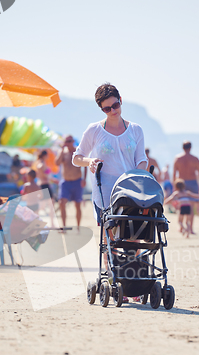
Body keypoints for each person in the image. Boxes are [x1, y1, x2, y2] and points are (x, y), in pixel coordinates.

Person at [72, 83, 148, 302]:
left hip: (131, 191)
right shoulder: (94, 130)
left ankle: (132, 284)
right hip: (104, 192)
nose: (113, 111)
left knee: (134, 237)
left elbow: (141, 158)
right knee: (111, 239)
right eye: (107, 108)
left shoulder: (135, 129)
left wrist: (140, 170)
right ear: (101, 110)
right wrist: (90, 161)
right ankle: (116, 283)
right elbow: (77, 158)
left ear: (121, 100)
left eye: (115, 105)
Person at [173, 141, 199, 233]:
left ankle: (181, 226)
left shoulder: (178, 158)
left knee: (182, 205)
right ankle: (190, 228)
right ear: (190, 148)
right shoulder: (195, 159)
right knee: (191, 207)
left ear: (183, 148)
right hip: (193, 182)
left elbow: (174, 173)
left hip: (181, 182)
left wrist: (175, 186)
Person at [55, 135, 87, 229]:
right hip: (65, 182)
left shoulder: (77, 151)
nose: (67, 143)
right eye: (66, 141)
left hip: (77, 181)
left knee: (77, 204)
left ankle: (78, 226)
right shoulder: (62, 152)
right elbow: (57, 163)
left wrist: (84, 179)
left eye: (69, 141)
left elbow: (84, 165)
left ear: (72, 141)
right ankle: (64, 226)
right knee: (61, 202)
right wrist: (61, 151)